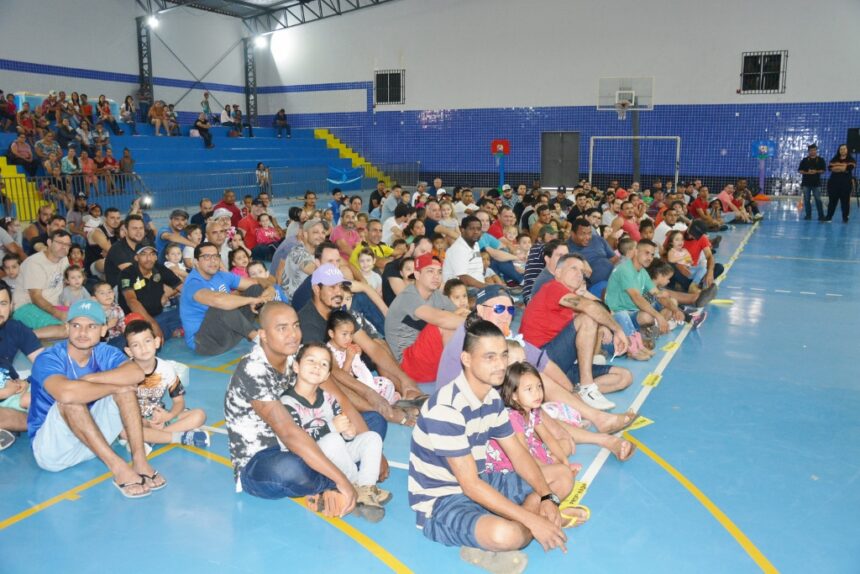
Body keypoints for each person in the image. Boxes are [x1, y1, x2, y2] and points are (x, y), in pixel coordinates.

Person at [408, 319, 571, 572]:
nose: (500, 365)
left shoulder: (492, 398)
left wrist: (547, 496)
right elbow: (469, 485)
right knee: (506, 536)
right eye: (490, 357)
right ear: (466, 359)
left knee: (562, 476)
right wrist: (535, 520)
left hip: (483, 480)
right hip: (443, 500)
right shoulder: (446, 409)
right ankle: (516, 523)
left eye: (504, 355)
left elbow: (517, 453)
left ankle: (520, 518)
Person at [225, 302, 387, 515]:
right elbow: (289, 434)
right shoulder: (253, 370)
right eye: (282, 328)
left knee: (374, 422)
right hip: (264, 458)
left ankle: (341, 481)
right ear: (263, 335)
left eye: (295, 325)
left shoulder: (298, 356)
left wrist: (375, 452)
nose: (293, 334)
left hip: (311, 434)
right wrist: (342, 482)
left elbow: (338, 397)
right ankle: (339, 483)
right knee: (290, 469)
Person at [27, 299, 164, 497]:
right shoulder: (49, 358)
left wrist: (91, 378)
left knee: (125, 390)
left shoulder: (104, 352)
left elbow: (136, 374)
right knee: (70, 401)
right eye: (76, 326)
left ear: (103, 330)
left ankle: (140, 461)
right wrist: (112, 386)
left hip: (95, 441)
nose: (83, 333)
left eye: (91, 326)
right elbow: (66, 393)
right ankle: (119, 468)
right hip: (54, 452)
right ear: (66, 328)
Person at [281, 342, 388, 521]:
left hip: (335, 453)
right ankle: (354, 487)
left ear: (328, 374)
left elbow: (342, 426)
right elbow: (296, 442)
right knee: (332, 440)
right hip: (308, 460)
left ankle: (367, 487)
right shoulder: (287, 402)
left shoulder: (329, 398)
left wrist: (349, 431)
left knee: (371, 437)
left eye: (324, 364)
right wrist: (332, 428)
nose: (317, 366)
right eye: (311, 361)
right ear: (296, 366)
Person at [520, 254, 632, 409]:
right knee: (588, 318)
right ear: (558, 273)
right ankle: (587, 386)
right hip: (539, 362)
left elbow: (593, 312)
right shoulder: (553, 287)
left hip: (561, 365)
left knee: (624, 377)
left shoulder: (569, 303)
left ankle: (574, 394)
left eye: (582, 271)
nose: (579, 274)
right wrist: (618, 330)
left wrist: (603, 326)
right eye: (573, 268)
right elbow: (590, 308)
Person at [123, 320, 208, 447]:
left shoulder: (166, 369)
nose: (143, 348)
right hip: (135, 421)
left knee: (199, 415)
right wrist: (144, 421)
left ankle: (152, 438)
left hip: (159, 418)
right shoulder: (124, 371)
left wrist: (168, 416)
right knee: (125, 432)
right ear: (129, 351)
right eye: (136, 345)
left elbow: (179, 402)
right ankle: (176, 436)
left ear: (157, 342)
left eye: (147, 341)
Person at [179, 242, 274, 355]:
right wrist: (251, 300)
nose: (213, 260)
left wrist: (269, 290)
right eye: (207, 257)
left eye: (215, 256)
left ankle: (271, 329)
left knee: (256, 289)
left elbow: (259, 282)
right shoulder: (193, 283)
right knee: (221, 304)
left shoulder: (221, 275)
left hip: (232, 333)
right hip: (206, 343)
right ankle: (260, 339)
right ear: (196, 262)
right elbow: (218, 300)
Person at [384, 254, 466, 362]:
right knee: (446, 327)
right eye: (430, 271)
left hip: (424, 352)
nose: (436, 276)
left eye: (439, 272)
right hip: (407, 361)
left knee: (456, 318)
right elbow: (442, 319)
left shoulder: (435, 294)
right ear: (417, 275)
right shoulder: (408, 296)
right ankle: (451, 371)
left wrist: (464, 315)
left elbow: (458, 312)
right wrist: (477, 323)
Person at [0, 281, 45, 451]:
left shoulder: (15, 328)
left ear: (11, 306)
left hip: (13, 394)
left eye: (2, 303)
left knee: (53, 387)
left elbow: (45, 363)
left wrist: (28, 381)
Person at [119, 244, 183, 343]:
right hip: (137, 320)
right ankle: (163, 333)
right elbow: (131, 301)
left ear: (156, 257)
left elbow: (182, 287)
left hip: (160, 314)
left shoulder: (159, 268)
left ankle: (165, 332)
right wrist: (152, 324)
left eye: (152, 254)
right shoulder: (127, 273)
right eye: (144, 254)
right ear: (136, 257)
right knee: (140, 337)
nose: (149, 258)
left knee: (186, 312)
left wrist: (167, 294)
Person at [13, 230, 71, 329]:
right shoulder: (35, 263)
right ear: (49, 242)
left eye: (67, 244)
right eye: (60, 243)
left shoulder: (64, 259)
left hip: (53, 305)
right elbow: (36, 297)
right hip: (26, 306)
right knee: (63, 329)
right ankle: (27, 338)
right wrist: (58, 314)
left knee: (84, 320)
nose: (64, 247)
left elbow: (67, 284)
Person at [442, 216, 485, 288]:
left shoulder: (476, 244)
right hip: (459, 288)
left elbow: (477, 273)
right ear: (462, 230)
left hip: (476, 286)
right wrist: (486, 287)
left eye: (478, 229)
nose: (476, 232)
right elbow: (463, 278)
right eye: (471, 229)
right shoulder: (458, 249)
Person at [824, 144, 856, 223]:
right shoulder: (834, 159)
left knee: (845, 202)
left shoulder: (851, 160)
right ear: (839, 150)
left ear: (847, 150)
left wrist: (838, 168)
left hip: (846, 184)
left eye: (844, 149)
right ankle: (829, 217)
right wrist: (842, 168)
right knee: (832, 201)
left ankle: (845, 218)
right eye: (841, 149)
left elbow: (849, 168)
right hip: (834, 184)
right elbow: (830, 168)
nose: (842, 150)